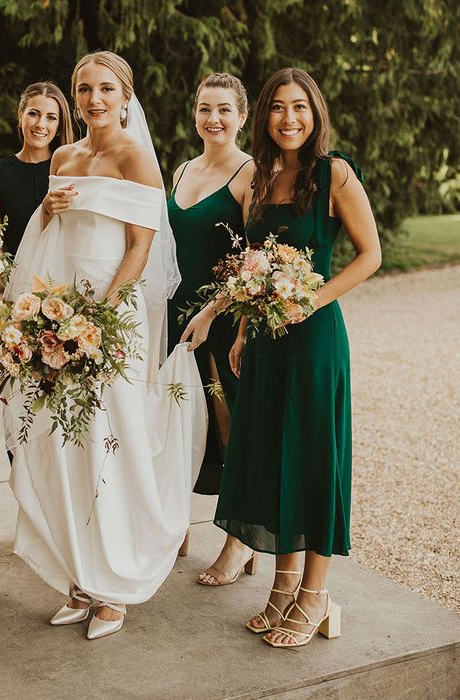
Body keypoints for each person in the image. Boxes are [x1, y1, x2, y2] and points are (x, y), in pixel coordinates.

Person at [4, 51, 205, 640]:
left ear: (125, 97)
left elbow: (142, 247)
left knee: (107, 443)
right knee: (61, 443)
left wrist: (102, 313)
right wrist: (46, 209)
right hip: (60, 311)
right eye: (85, 89)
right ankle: (81, 575)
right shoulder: (64, 157)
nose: (95, 100)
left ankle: (115, 584)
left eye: (106, 90)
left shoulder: (136, 157)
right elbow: (51, 231)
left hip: (110, 318)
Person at [182, 67, 381, 647]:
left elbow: (370, 255)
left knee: (314, 458)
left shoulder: (334, 173)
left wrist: (311, 300)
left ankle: (315, 596)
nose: (289, 118)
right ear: (264, 116)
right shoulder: (261, 178)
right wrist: (243, 330)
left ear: (314, 113)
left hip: (315, 340)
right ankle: (281, 585)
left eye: (300, 107)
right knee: (272, 456)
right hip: (265, 341)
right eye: (278, 108)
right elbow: (253, 268)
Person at [168, 72, 258, 585]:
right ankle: (172, 522)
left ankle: (238, 542)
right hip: (175, 316)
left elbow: (255, 257)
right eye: (205, 108)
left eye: (224, 109)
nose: (214, 119)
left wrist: (215, 313)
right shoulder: (183, 168)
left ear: (242, 117)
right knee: (176, 421)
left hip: (221, 321)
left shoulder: (250, 174)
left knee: (228, 427)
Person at [0, 82, 73, 255]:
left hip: (63, 278)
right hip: (15, 277)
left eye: (51, 117)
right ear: (20, 115)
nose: (41, 124)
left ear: (60, 125)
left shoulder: (69, 170)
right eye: (33, 114)